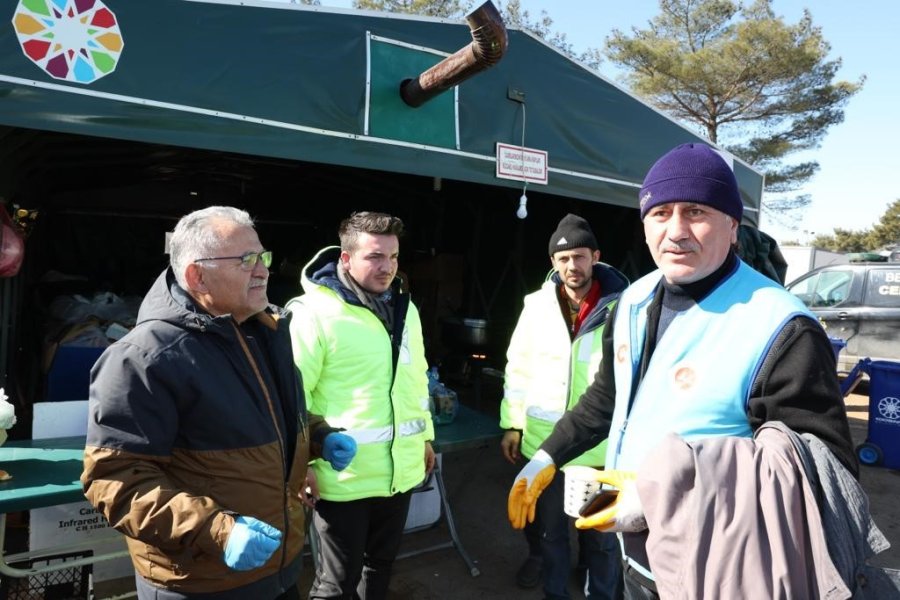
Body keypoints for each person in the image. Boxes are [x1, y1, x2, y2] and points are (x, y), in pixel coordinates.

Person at [506, 143, 858, 599]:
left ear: (733, 226)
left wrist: (657, 495)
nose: (676, 231)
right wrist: (547, 456)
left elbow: (820, 473)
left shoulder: (780, 325)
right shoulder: (632, 300)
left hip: (714, 567)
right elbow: (608, 398)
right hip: (633, 550)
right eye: (660, 213)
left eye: (696, 211)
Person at [81, 206, 357, 600]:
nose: (262, 270)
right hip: (202, 581)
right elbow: (115, 480)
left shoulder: (264, 331)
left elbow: (276, 415)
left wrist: (319, 435)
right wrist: (216, 530)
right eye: (247, 260)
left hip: (279, 569)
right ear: (197, 275)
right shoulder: (145, 357)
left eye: (263, 257)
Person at [286, 211, 435, 600]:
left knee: (380, 568)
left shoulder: (406, 309)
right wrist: (301, 464)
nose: (387, 267)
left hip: (398, 472)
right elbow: (292, 397)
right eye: (374, 257)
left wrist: (424, 438)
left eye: (394, 256)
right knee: (337, 584)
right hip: (343, 478)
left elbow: (415, 380)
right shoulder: (312, 313)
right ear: (346, 258)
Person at [500, 214, 627, 599]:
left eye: (580, 257)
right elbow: (518, 365)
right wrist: (512, 423)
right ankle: (555, 593)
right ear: (554, 263)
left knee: (601, 537)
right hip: (546, 446)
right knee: (550, 533)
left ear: (596, 256)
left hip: (599, 450)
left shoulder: (624, 307)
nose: (573, 266)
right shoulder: (536, 306)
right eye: (564, 259)